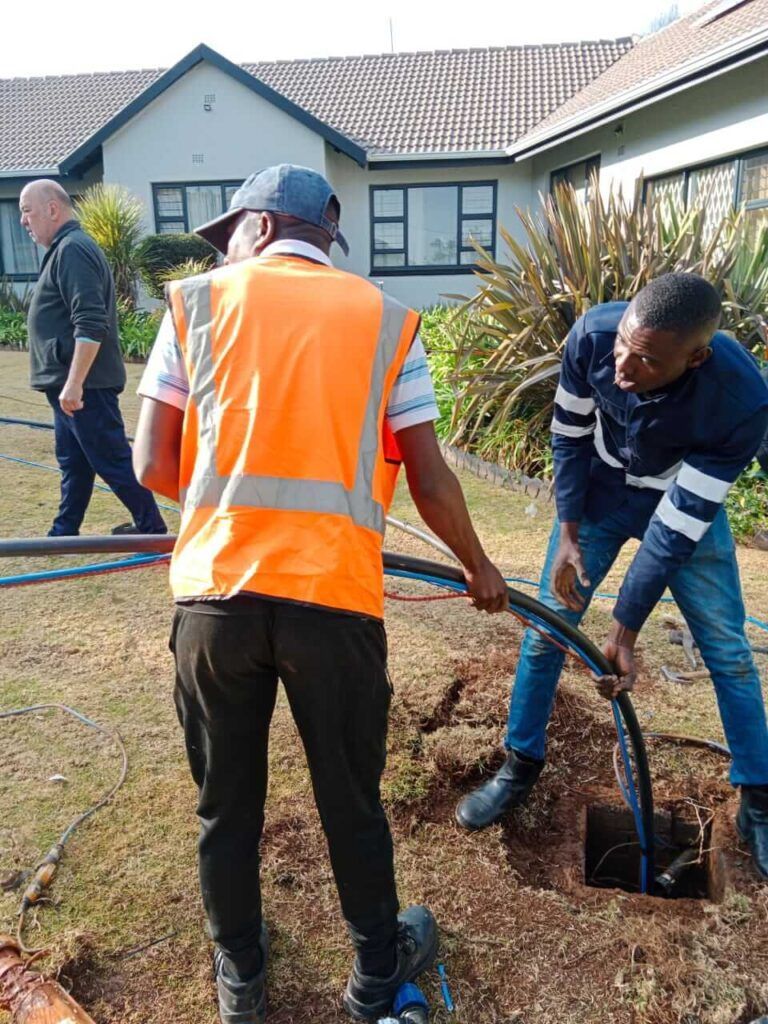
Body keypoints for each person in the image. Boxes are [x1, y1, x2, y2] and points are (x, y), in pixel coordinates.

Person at [132, 164, 508, 1023]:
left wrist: (225, 502)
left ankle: (241, 979)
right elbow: (428, 473)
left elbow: (153, 461)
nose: (225, 247)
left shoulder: (194, 304)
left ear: (261, 226)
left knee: (225, 802)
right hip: (333, 605)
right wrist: (479, 567)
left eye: (231, 231)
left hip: (215, 601)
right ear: (322, 237)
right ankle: (377, 970)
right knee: (351, 798)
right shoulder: (385, 320)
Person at [455, 273, 768, 881]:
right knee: (546, 629)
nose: (624, 366)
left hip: (679, 496)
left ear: (695, 358)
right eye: (624, 345)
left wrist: (623, 632)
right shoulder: (595, 335)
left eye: (647, 360)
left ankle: (757, 800)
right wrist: (568, 532)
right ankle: (520, 762)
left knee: (728, 650)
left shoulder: (740, 399)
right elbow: (568, 435)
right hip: (598, 493)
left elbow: (677, 529)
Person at [19, 179, 166, 537]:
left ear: (53, 209)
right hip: (70, 384)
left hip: (85, 386)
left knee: (111, 459)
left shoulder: (73, 250)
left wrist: (75, 383)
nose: (23, 221)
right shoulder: (63, 248)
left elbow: (90, 320)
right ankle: (64, 532)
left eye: (27, 211)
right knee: (75, 462)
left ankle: (153, 529)